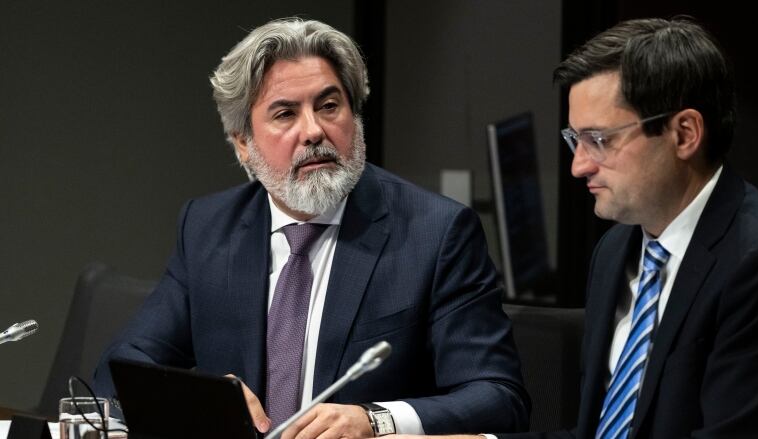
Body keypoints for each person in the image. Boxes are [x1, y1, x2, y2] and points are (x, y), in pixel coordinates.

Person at [92, 17, 530, 439]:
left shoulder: (435, 233)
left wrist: (373, 420)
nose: (314, 131)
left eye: (329, 105)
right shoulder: (209, 229)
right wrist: (200, 402)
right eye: (285, 114)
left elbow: (498, 396)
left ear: (354, 117)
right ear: (243, 143)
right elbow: (124, 365)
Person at [393, 16, 758, 439]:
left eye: (599, 139)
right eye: (574, 139)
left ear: (684, 133)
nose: (579, 165)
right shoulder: (616, 250)